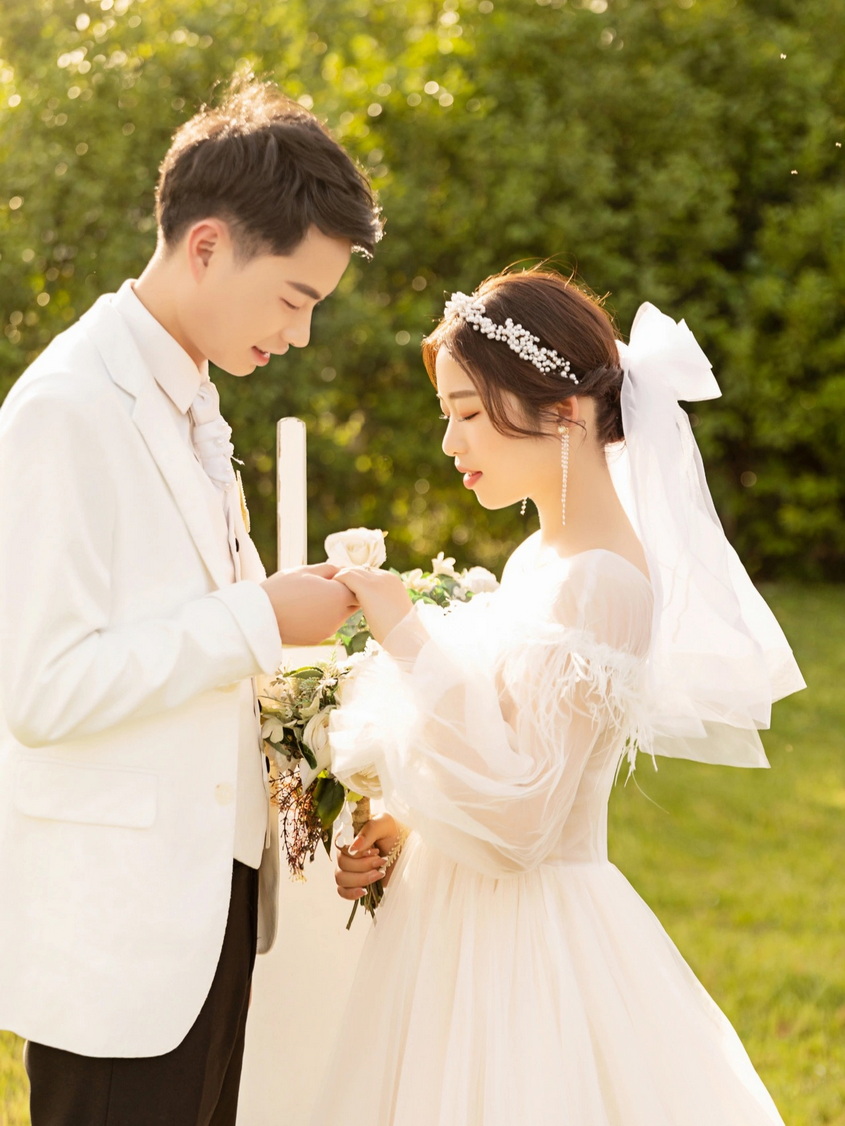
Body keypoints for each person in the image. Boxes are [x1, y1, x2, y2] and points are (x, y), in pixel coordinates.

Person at [320, 268, 805, 1125]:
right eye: (446, 416)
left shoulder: (603, 583)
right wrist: (409, 822)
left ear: (564, 414)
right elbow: (505, 749)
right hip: (453, 920)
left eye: (469, 413)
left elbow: (523, 830)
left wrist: (405, 633)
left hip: (523, 947)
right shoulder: (537, 561)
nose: (450, 443)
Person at [0, 78, 381, 1126]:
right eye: (294, 299)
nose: (300, 335)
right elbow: (41, 689)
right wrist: (260, 618)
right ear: (207, 246)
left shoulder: (192, 398)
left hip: (215, 903)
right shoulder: (68, 410)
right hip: (121, 940)